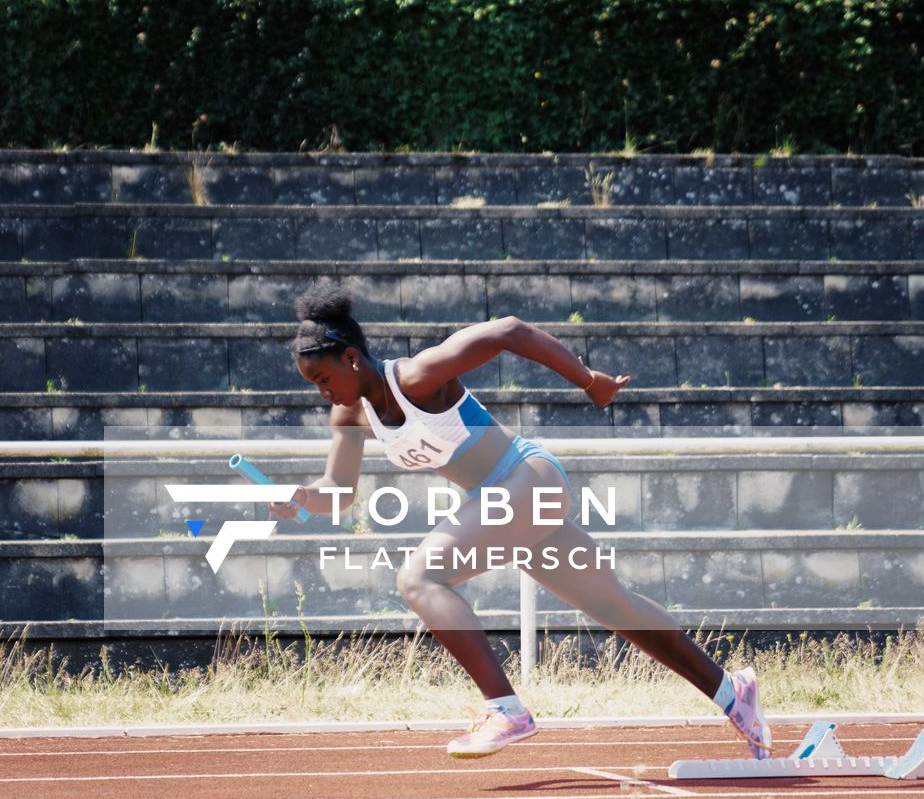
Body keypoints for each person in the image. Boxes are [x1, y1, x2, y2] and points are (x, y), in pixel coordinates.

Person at [271, 284, 770, 760]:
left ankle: (505, 710)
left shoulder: (419, 377)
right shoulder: (351, 414)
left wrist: (589, 381)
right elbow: (337, 494)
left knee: (418, 576)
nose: (323, 394)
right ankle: (733, 691)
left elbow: (508, 329)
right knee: (616, 608)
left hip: (527, 480)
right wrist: (300, 498)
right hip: (506, 505)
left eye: (324, 379)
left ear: (352, 358)